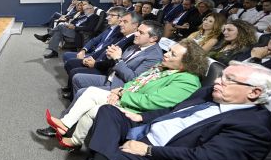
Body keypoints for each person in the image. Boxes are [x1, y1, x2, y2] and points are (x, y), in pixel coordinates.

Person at [45, 63, 271, 160]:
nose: (218, 81)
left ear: (254, 93)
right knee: (109, 111)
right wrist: (140, 116)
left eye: (229, 80)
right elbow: (173, 110)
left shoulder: (253, 127)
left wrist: (148, 151)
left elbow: (206, 159)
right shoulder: (211, 94)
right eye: (222, 76)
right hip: (146, 130)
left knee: (106, 151)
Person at [47, 39, 207, 149]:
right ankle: (65, 124)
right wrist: (118, 92)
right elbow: (137, 82)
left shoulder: (188, 82)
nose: (166, 54)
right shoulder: (164, 67)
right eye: (169, 50)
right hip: (129, 99)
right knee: (90, 92)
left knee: (94, 110)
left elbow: (152, 102)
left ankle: (75, 141)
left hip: (141, 112)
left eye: (173, 54)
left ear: (187, 64)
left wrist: (123, 94)